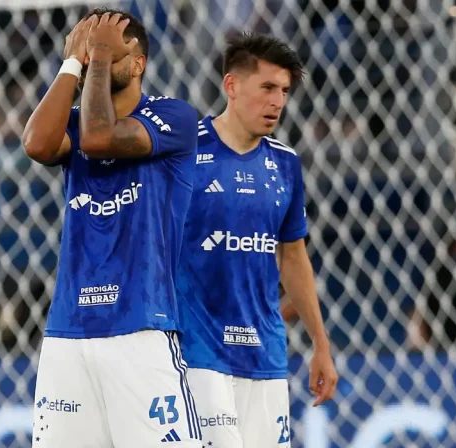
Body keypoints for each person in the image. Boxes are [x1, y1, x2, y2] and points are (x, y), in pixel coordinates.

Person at [22, 8, 201, 448]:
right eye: (90, 50)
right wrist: (70, 65)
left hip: (140, 326)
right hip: (70, 329)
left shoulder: (174, 117)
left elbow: (100, 137)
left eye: (110, 52)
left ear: (138, 63)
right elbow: (37, 143)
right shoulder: (74, 119)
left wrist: (96, 58)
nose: (96, 57)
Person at [175, 33, 338, 447]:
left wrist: (320, 343)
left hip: (265, 354)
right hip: (198, 351)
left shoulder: (285, 164)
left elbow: (293, 256)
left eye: (284, 90)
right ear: (232, 85)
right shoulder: (184, 153)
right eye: (267, 87)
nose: (278, 101)